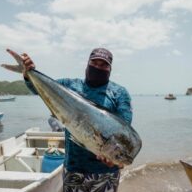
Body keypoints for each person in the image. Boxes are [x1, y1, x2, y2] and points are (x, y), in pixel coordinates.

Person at [21, 48, 132, 192]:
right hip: (74, 169)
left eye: (103, 65)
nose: (98, 67)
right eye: (94, 62)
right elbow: (37, 88)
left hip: (106, 174)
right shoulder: (69, 86)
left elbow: (124, 129)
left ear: (110, 68)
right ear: (87, 63)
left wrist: (116, 162)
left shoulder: (119, 93)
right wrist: (28, 73)